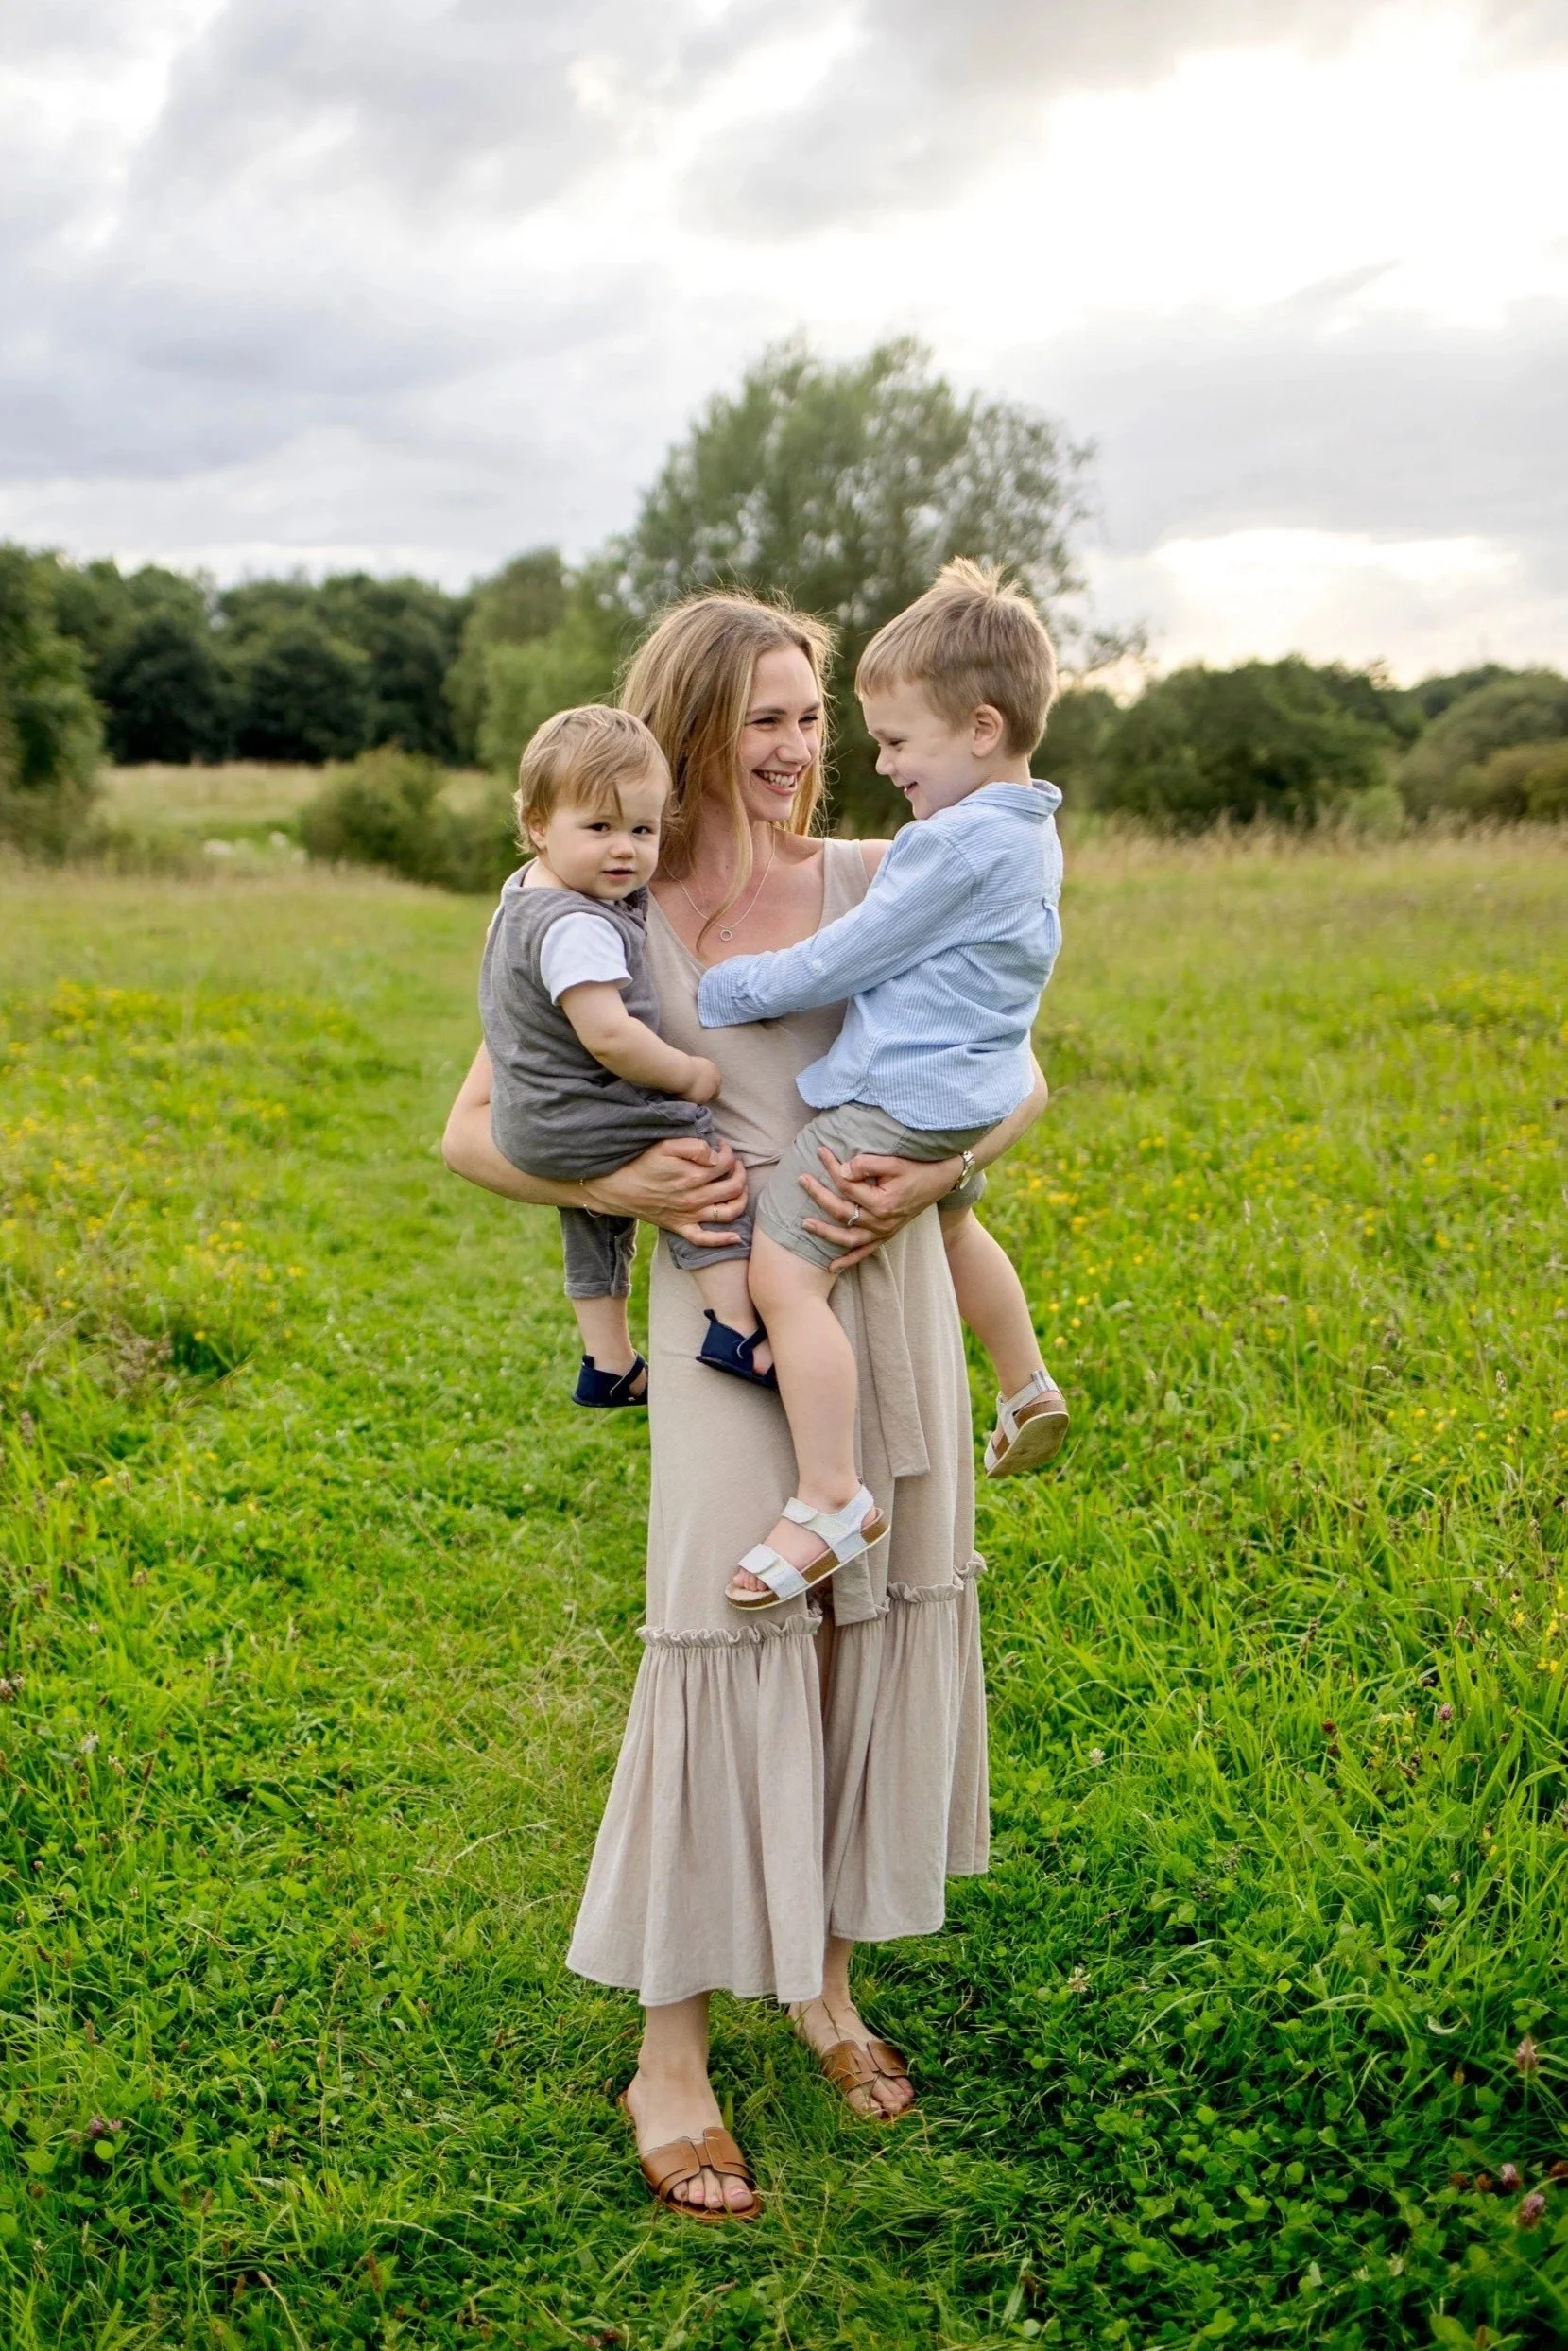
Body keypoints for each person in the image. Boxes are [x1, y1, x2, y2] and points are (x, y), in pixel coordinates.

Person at [441, 589, 1049, 2221]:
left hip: (884, 1280)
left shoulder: (884, 873)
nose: (801, 752)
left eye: (814, 718)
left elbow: (1020, 1059)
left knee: (863, 1624)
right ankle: (671, 2048)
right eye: (767, 719)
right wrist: (633, 1179)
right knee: (723, 1631)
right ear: (691, 726)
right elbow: (469, 1128)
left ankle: (824, 1985)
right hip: (726, 1309)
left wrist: (941, 1165)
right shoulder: (598, 903)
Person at [697, 561, 1069, 1612]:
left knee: (785, 1280)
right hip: (964, 1093)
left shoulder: (940, 850)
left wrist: (731, 988)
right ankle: (1026, 1382)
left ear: (983, 728)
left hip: (894, 1101)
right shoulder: (1029, 832)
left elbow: (841, 960)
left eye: (898, 742)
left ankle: (829, 1491)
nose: (878, 760)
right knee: (954, 1229)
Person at [476, 702, 771, 1409]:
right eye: (600, 828)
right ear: (538, 825)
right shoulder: (579, 925)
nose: (624, 851)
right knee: (694, 1153)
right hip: (576, 1111)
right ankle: (736, 1326)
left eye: (642, 830)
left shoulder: (524, 893)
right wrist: (686, 1073)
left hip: (529, 1120)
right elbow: (607, 1034)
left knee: (595, 1217)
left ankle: (607, 1360)